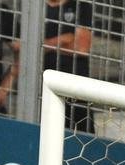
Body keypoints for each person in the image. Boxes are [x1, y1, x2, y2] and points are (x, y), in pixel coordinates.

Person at [44, 0, 95, 133]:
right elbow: (25, 47)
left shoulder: (81, 6)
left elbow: (81, 47)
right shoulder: (36, 8)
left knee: (80, 141)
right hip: (42, 89)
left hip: (75, 90)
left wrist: (45, 44)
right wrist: (65, 38)